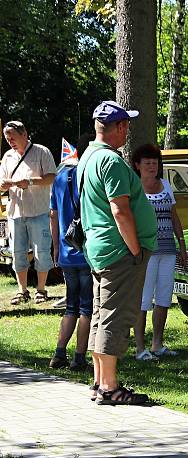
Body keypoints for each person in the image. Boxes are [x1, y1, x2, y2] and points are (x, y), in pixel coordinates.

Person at [78, 101, 157, 405]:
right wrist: (136, 249)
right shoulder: (110, 161)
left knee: (100, 314)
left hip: (100, 249)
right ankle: (110, 388)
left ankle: (99, 382)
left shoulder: (88, 157)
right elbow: (120, 209)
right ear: (121, 127)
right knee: (116, 315)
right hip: (119, 251)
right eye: (127, 125)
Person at [131, 143, 187, 361]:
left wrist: (181, 245)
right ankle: (139, 348)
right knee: (144, 300)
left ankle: (157, 344)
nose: (152, 166)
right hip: (146, 251)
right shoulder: (134, 188)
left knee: (164, 298)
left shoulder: (165, 184)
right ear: (138, 165)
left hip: (168, 250)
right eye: (147, 163)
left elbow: (174, 216)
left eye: (155, 162)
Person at [49, 133, 94, 373]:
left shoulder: (57, 178)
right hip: (86, 251)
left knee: (70, 307)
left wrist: (56, 246)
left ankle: (59, 354)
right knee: (86, 308)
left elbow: (54, 215)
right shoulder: (86, 175)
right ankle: (79, 357)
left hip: (66, 252)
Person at [0, 121, 57, 305]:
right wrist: (3, 185)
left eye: (12, 137)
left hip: (39, 210)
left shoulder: (42, 151)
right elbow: (1, 182)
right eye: (7, 138)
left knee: (41, 251)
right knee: (17, 252)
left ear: (24, 134)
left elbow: (51, 176)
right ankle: (22, 291)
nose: (10, 141)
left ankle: (41, 290)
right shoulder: (7, 156)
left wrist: (30, 182)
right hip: (15, 212)